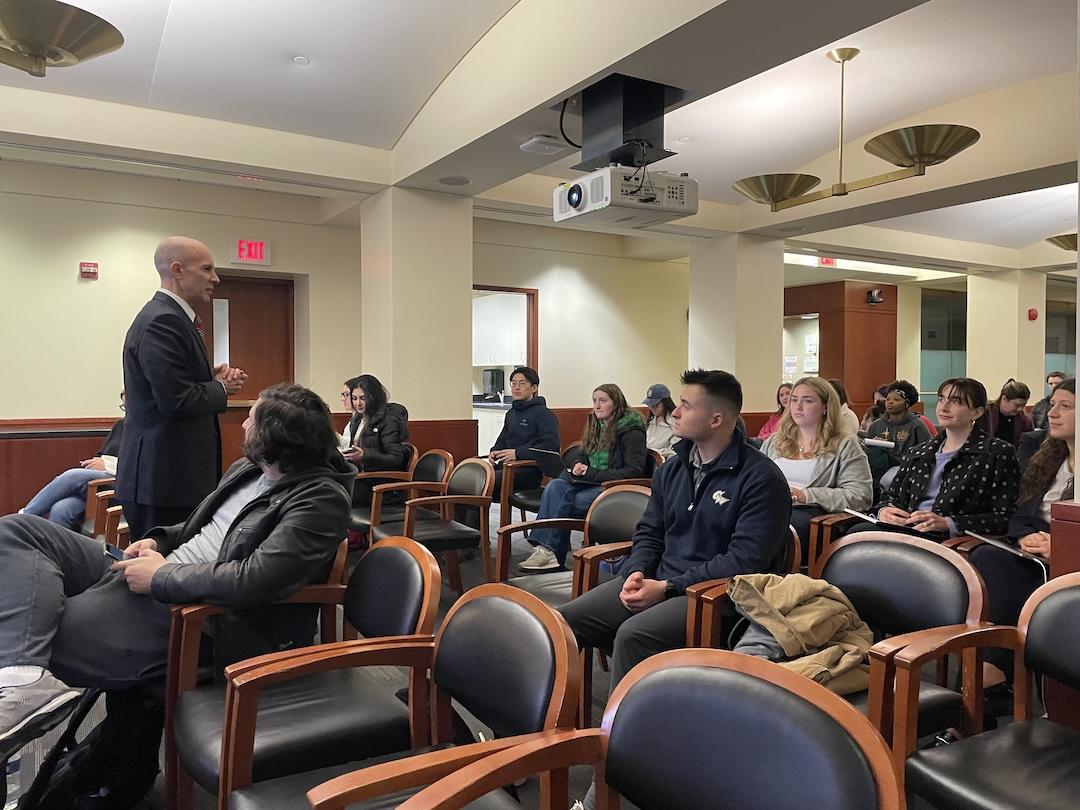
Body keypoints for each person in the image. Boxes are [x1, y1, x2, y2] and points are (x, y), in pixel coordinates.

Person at [0, 384, 353, 799]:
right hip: (163, 571)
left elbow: (255, 579)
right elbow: (198, 527)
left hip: (196, 609)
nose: (242, 422)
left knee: (40, 627)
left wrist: (162, 577)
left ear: (275, 441)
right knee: (16, 532)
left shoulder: (320, 499)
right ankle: (24, 679)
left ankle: (24, 680)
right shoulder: (248, 468)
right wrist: (157, 542)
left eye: (252, 418)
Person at [558, 369, 790, 712]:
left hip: (719, 596)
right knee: (563, 623)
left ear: (716, 419)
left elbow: (744, 561)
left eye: (685, 405)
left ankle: (623, 748)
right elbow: (649, 532)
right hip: (661, 579)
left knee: (634, 636)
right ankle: (556, 732)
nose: (675, 412)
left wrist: (667, 587)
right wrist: (636, 571)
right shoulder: (672, 469)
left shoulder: (760, 478)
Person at [116, 236, 247, 541]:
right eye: (207, 269)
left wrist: (207, 380)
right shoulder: (163, 320)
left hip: (168, 478)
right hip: (164, 480)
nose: (216, 278)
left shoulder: (172, 318)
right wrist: (221, 388)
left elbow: (173, 386)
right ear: (177, 270)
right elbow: (175, 401)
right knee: (160, 574)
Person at [970, 377, 1073, 675]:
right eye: (1053, 404)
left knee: (1006, 575)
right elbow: (1018, 514)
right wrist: (1027, 536)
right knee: (987, 556)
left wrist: (1061, 546)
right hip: (1034, 552)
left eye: (1065, 407)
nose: (1051, 413)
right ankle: (999, 663)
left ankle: (998, 667)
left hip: (1068, 562)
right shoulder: (1047, 457)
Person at [847, 378, 1021, 540]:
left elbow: (1004, 517)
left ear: (976, 412)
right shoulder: (920, 451)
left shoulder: (997, 453)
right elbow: (892, 496)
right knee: (856, 533)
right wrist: (885, 511)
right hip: (908, 527)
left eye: (956, 401)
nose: (943, 407)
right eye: (941, 399)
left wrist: (948, 523)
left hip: (946, 538)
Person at [518, 384, 646, 572]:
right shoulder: (597, 424)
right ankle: (547, 550)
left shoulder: (631, 430)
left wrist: (590, 473)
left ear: (616, 403)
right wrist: (579, 463)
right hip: (590, 483)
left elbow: (633, 471)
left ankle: (550, 551)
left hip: (614, 488)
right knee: (555, 487)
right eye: (594, 401)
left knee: (566, 499)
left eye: (603, 401)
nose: (597, 405)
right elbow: (583, 452)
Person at [761, 377, 872, 560]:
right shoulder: (773, 442)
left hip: (807, 515)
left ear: (825, 407)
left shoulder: (845, 444)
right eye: (794, 400)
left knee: (775, 526)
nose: (798, 407)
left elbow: (860, 496)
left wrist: (805, 495)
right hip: (766, 506)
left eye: (808, 400)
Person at [21, 393, 126, 530]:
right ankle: (54, 551)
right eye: (124, 406)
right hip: (100, 483)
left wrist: (109, 466)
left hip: (123, 485)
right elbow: (101, 454)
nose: (127, 410)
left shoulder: (149, 432)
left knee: (73, 476)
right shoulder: (120, 425)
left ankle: (23, 518)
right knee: (61, 509)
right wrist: (95, 463)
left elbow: (142, 469)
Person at [487, 366, 560, 497]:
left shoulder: (544, 414)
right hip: (505, 468)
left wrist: (518, 453)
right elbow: (503, 439)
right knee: (470, 481)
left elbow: (551, 447)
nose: (516, 387)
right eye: (513, 383)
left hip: (527, 473)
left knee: (483, 482)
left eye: (522, 383)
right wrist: (494, 451)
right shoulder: (511, 413)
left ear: (534, 388)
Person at [340, 374, 410, 506]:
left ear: (373, 397)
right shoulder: (357, 420)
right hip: (360, 477)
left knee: (334, 496)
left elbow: (396, 459)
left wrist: (364, 455)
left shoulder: (388, 422)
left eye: (363, 398)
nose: (358, 403)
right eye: (354, 398)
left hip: (377, 483)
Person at [865, 379, 934, 466]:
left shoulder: (917, 425)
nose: (890, 402)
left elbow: (929, 449)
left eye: (896, 399)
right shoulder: (876, 425)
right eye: (887, 399)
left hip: (908, 469)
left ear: (906, 404)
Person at [986, 379, 1033, 446]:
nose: (1020, 409)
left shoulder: (1024, 420)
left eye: (1023, 405)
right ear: (1004, 398)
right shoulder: (986, 413)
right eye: (1017, 405)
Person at [642, 383, 678, 459]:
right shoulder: (649, 422)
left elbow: (675, 453)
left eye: (656, 405)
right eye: (650, 405)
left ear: (665, 403)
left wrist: (661, 453)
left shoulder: (675, 423)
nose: (652, 408)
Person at [337, 375, 363, 451]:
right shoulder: (351, 421)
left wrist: (336, 437)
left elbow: (357, 445)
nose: (343, 399)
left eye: (347, 395)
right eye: (343, 395)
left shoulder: (364, 421)